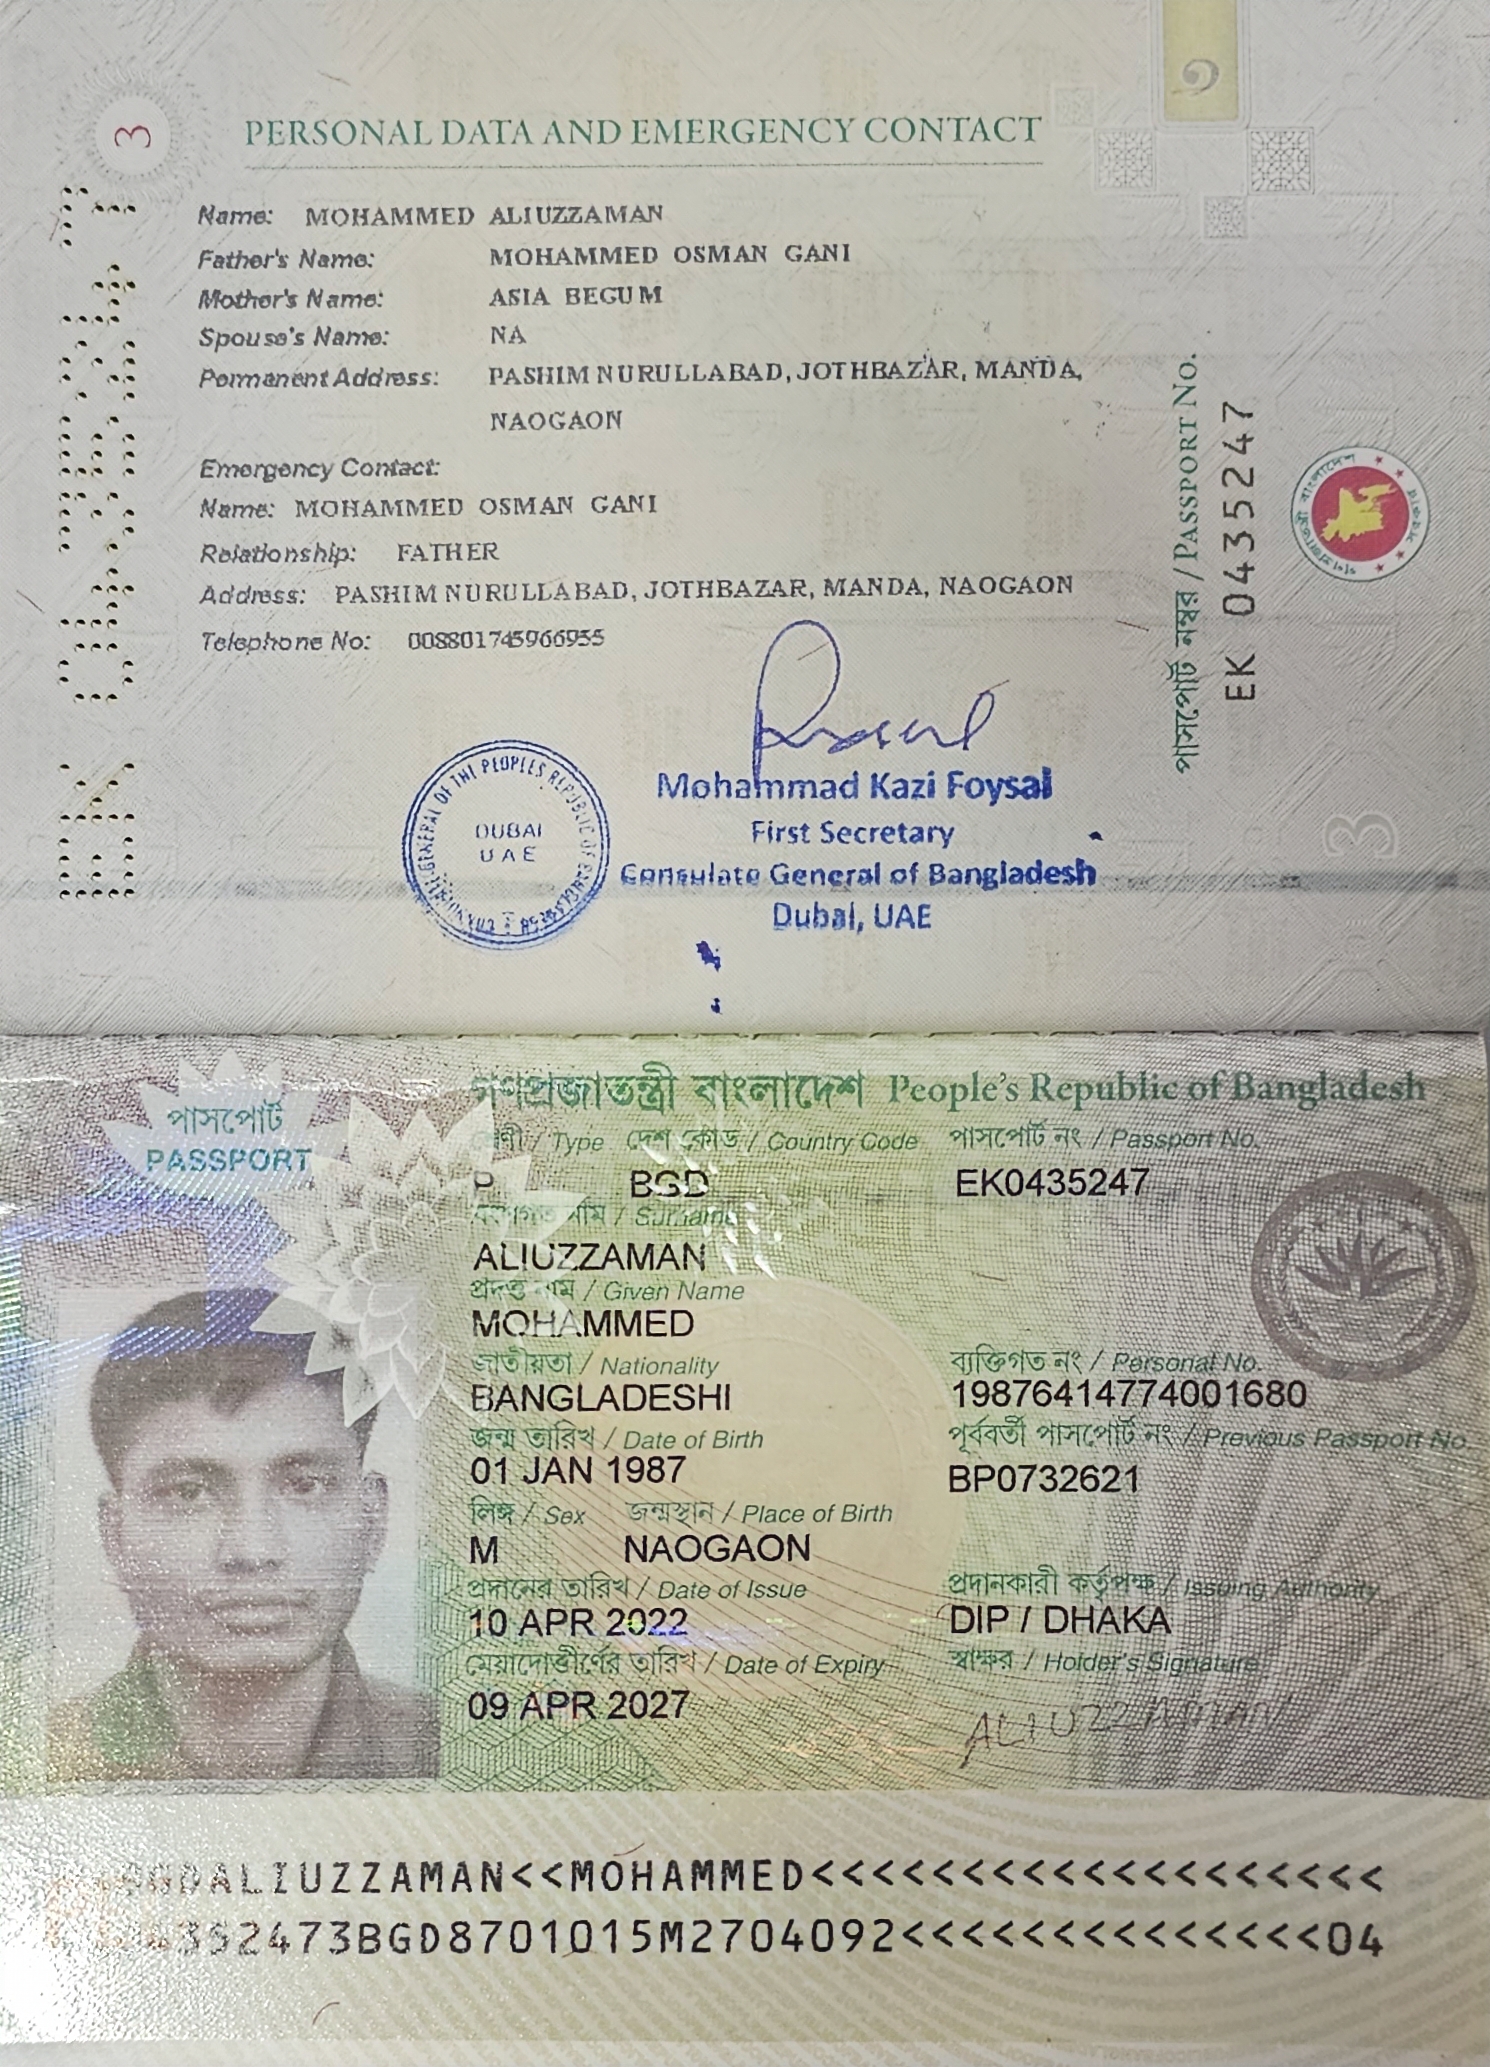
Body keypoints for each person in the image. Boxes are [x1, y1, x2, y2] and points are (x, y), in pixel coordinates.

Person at [48, 1290, 438, 1782]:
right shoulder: (45, 1755)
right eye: (188, 1493)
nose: (253, 1551)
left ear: (372, 1518)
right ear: (115, 1536)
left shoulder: (437, 1745)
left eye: (305, 1486)